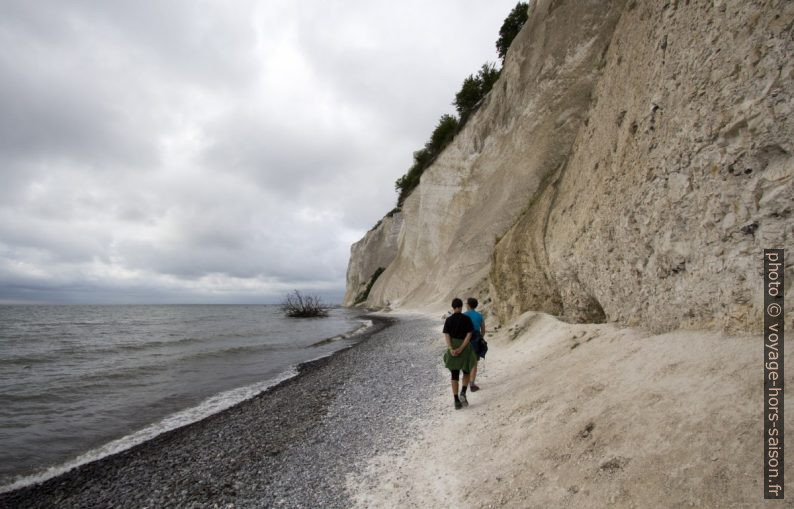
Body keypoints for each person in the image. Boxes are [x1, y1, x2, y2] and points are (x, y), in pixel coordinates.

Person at [442, 298, 477, 409]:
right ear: (461, 307)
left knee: (454, 375)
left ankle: (456, 401)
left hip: (453, 348)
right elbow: (469, 335)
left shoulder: (448, 320)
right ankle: (463, 392)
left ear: (453, 308)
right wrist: (462, 348)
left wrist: (451, 348)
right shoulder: (466, 319)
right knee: (466, 371)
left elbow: (447, 335)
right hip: (465, 348)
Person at [464, 297, 487, 392]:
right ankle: (472, 383)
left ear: (468, 305)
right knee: (474, 362)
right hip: (476, 339)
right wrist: (480, 337)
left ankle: (466, 380)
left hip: (465, 339)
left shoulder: (464, 315)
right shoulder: (479, 315)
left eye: (466, 303)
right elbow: (483, 330)